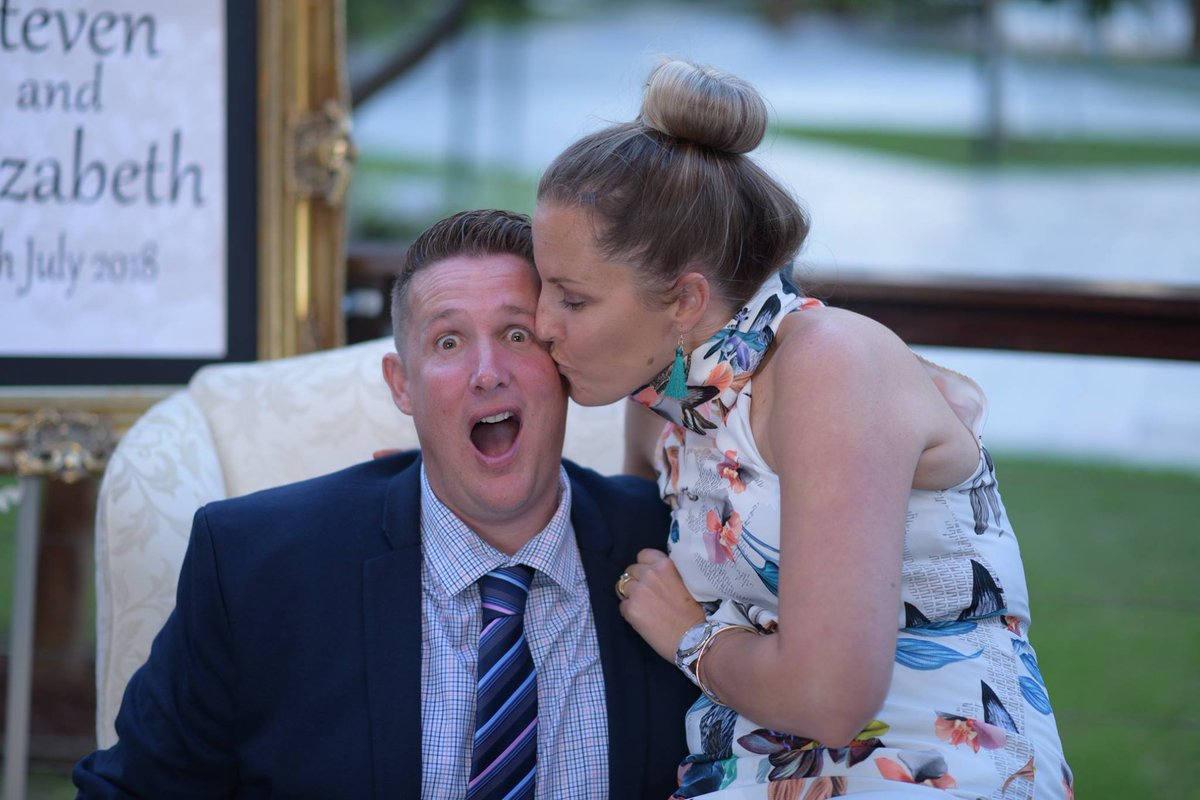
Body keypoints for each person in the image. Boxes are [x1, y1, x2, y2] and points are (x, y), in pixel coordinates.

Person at [531, 60, 1073, 799]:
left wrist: (693, 638)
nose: (541, 326)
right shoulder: (664, 403)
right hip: (740, 771)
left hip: (927, 768)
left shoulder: (828, 365)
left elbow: (831, 697)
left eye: (572, 299)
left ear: (685, 300)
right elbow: (620, 548)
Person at [73, 209, 697, 799]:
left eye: (517, 334)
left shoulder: (681, 545)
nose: (487, 371)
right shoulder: (253, 567)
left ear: (563, 360)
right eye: (448, 342)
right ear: (403, 384)